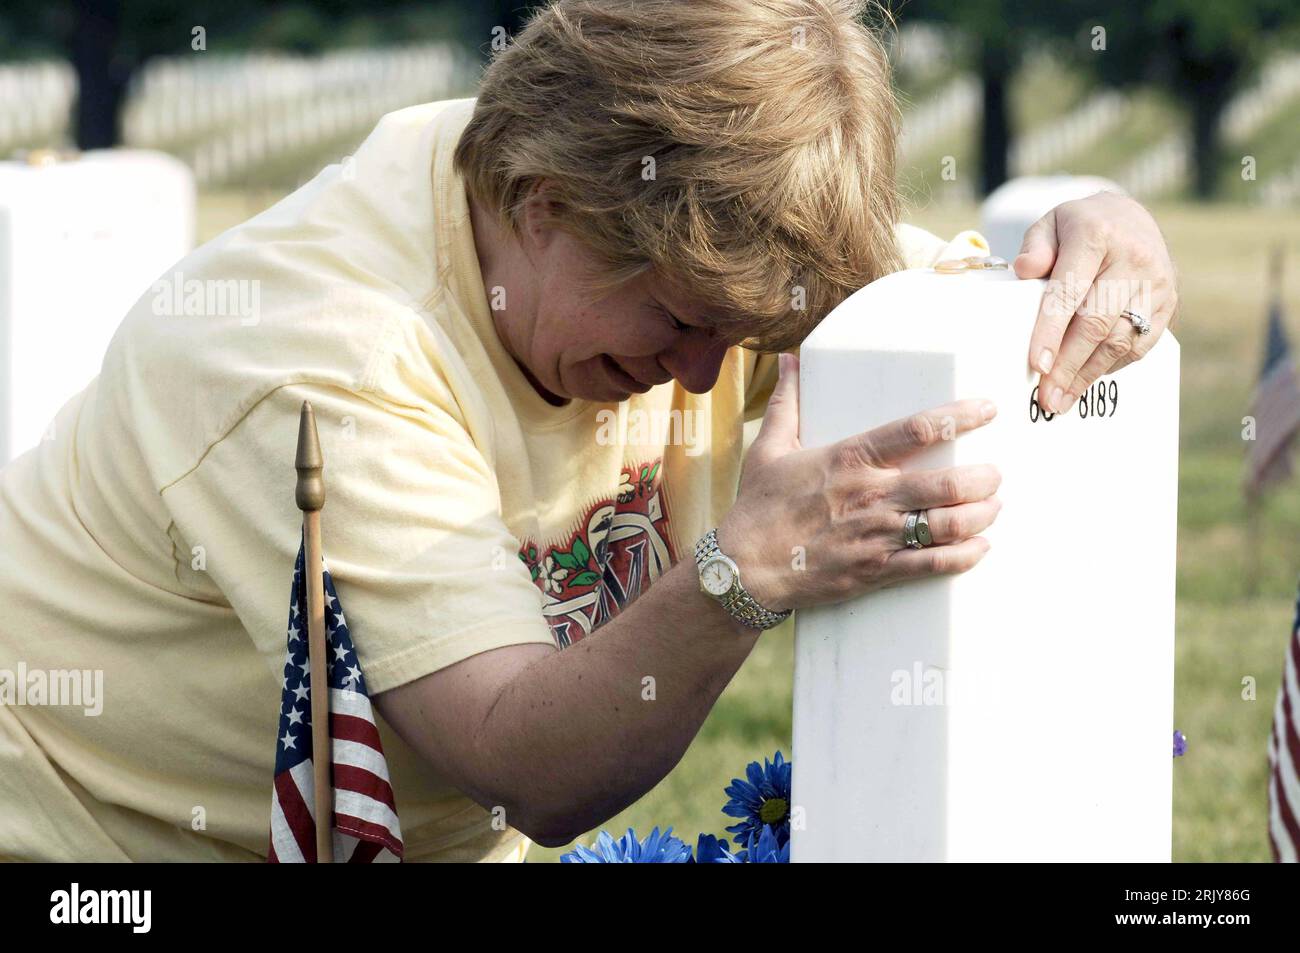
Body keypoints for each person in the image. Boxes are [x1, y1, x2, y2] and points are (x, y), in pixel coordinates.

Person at [0, 0, 1178, 861]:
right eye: (678, 319)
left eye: (749, 331)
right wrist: (741, 573)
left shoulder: (630, 217)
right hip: (88, 840)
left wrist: (1106, 229)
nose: (714, 371)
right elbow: (526, 766)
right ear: (542, 203)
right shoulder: (329, 352)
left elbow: (961, 311)